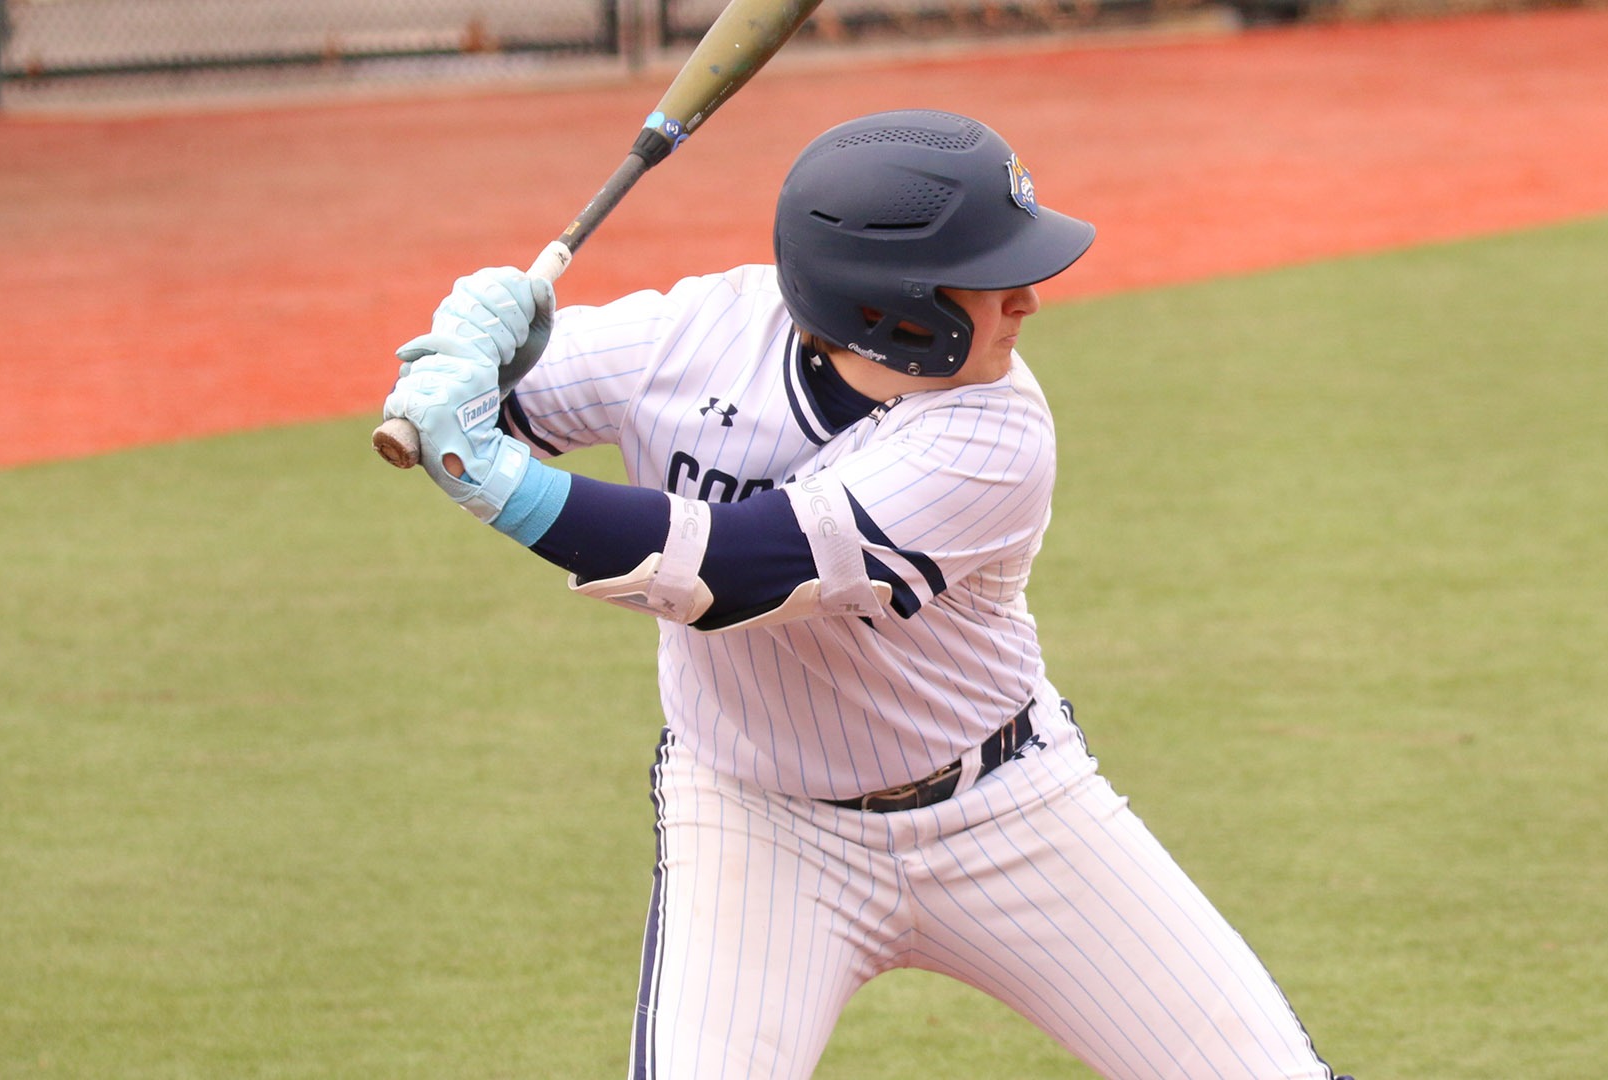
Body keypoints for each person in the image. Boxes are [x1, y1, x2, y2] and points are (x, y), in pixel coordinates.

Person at [383, 109, 1353, 1080]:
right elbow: (470, 409)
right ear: (898, 307)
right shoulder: (688, 338)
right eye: (990, 278)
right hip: (757, 825)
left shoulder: (997, 431)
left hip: (1009, 809)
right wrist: (468, 358)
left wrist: (492, 479)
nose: (1027, 301)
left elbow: (727, 574)